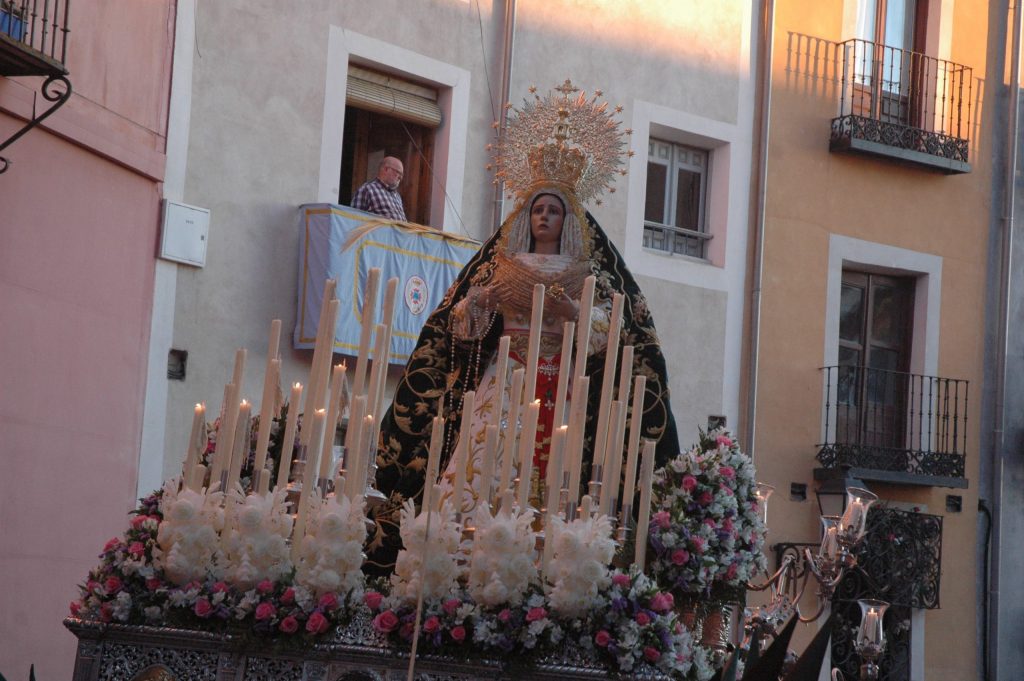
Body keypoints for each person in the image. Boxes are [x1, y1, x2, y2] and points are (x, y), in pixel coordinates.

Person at [364, 82, 680, 574]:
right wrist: (486, 300)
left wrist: (570, 313)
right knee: (484, 459)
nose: (545, 217)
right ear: (527, 217)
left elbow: (605, 332)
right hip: (506, 376)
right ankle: (464, 545)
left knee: (560, 469)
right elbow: (461, 327)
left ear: (568, 218)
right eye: (538, 209)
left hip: (559, 381)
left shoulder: (581, 273)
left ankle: (557, 553)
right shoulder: (504, 264)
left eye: (554, 210)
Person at [352, 156, 407, 221]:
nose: (400, 177)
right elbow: (354, 220)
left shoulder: (397, 195)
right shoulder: (367, 189)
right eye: (398, 172)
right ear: (386, 169)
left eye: (402, 175)